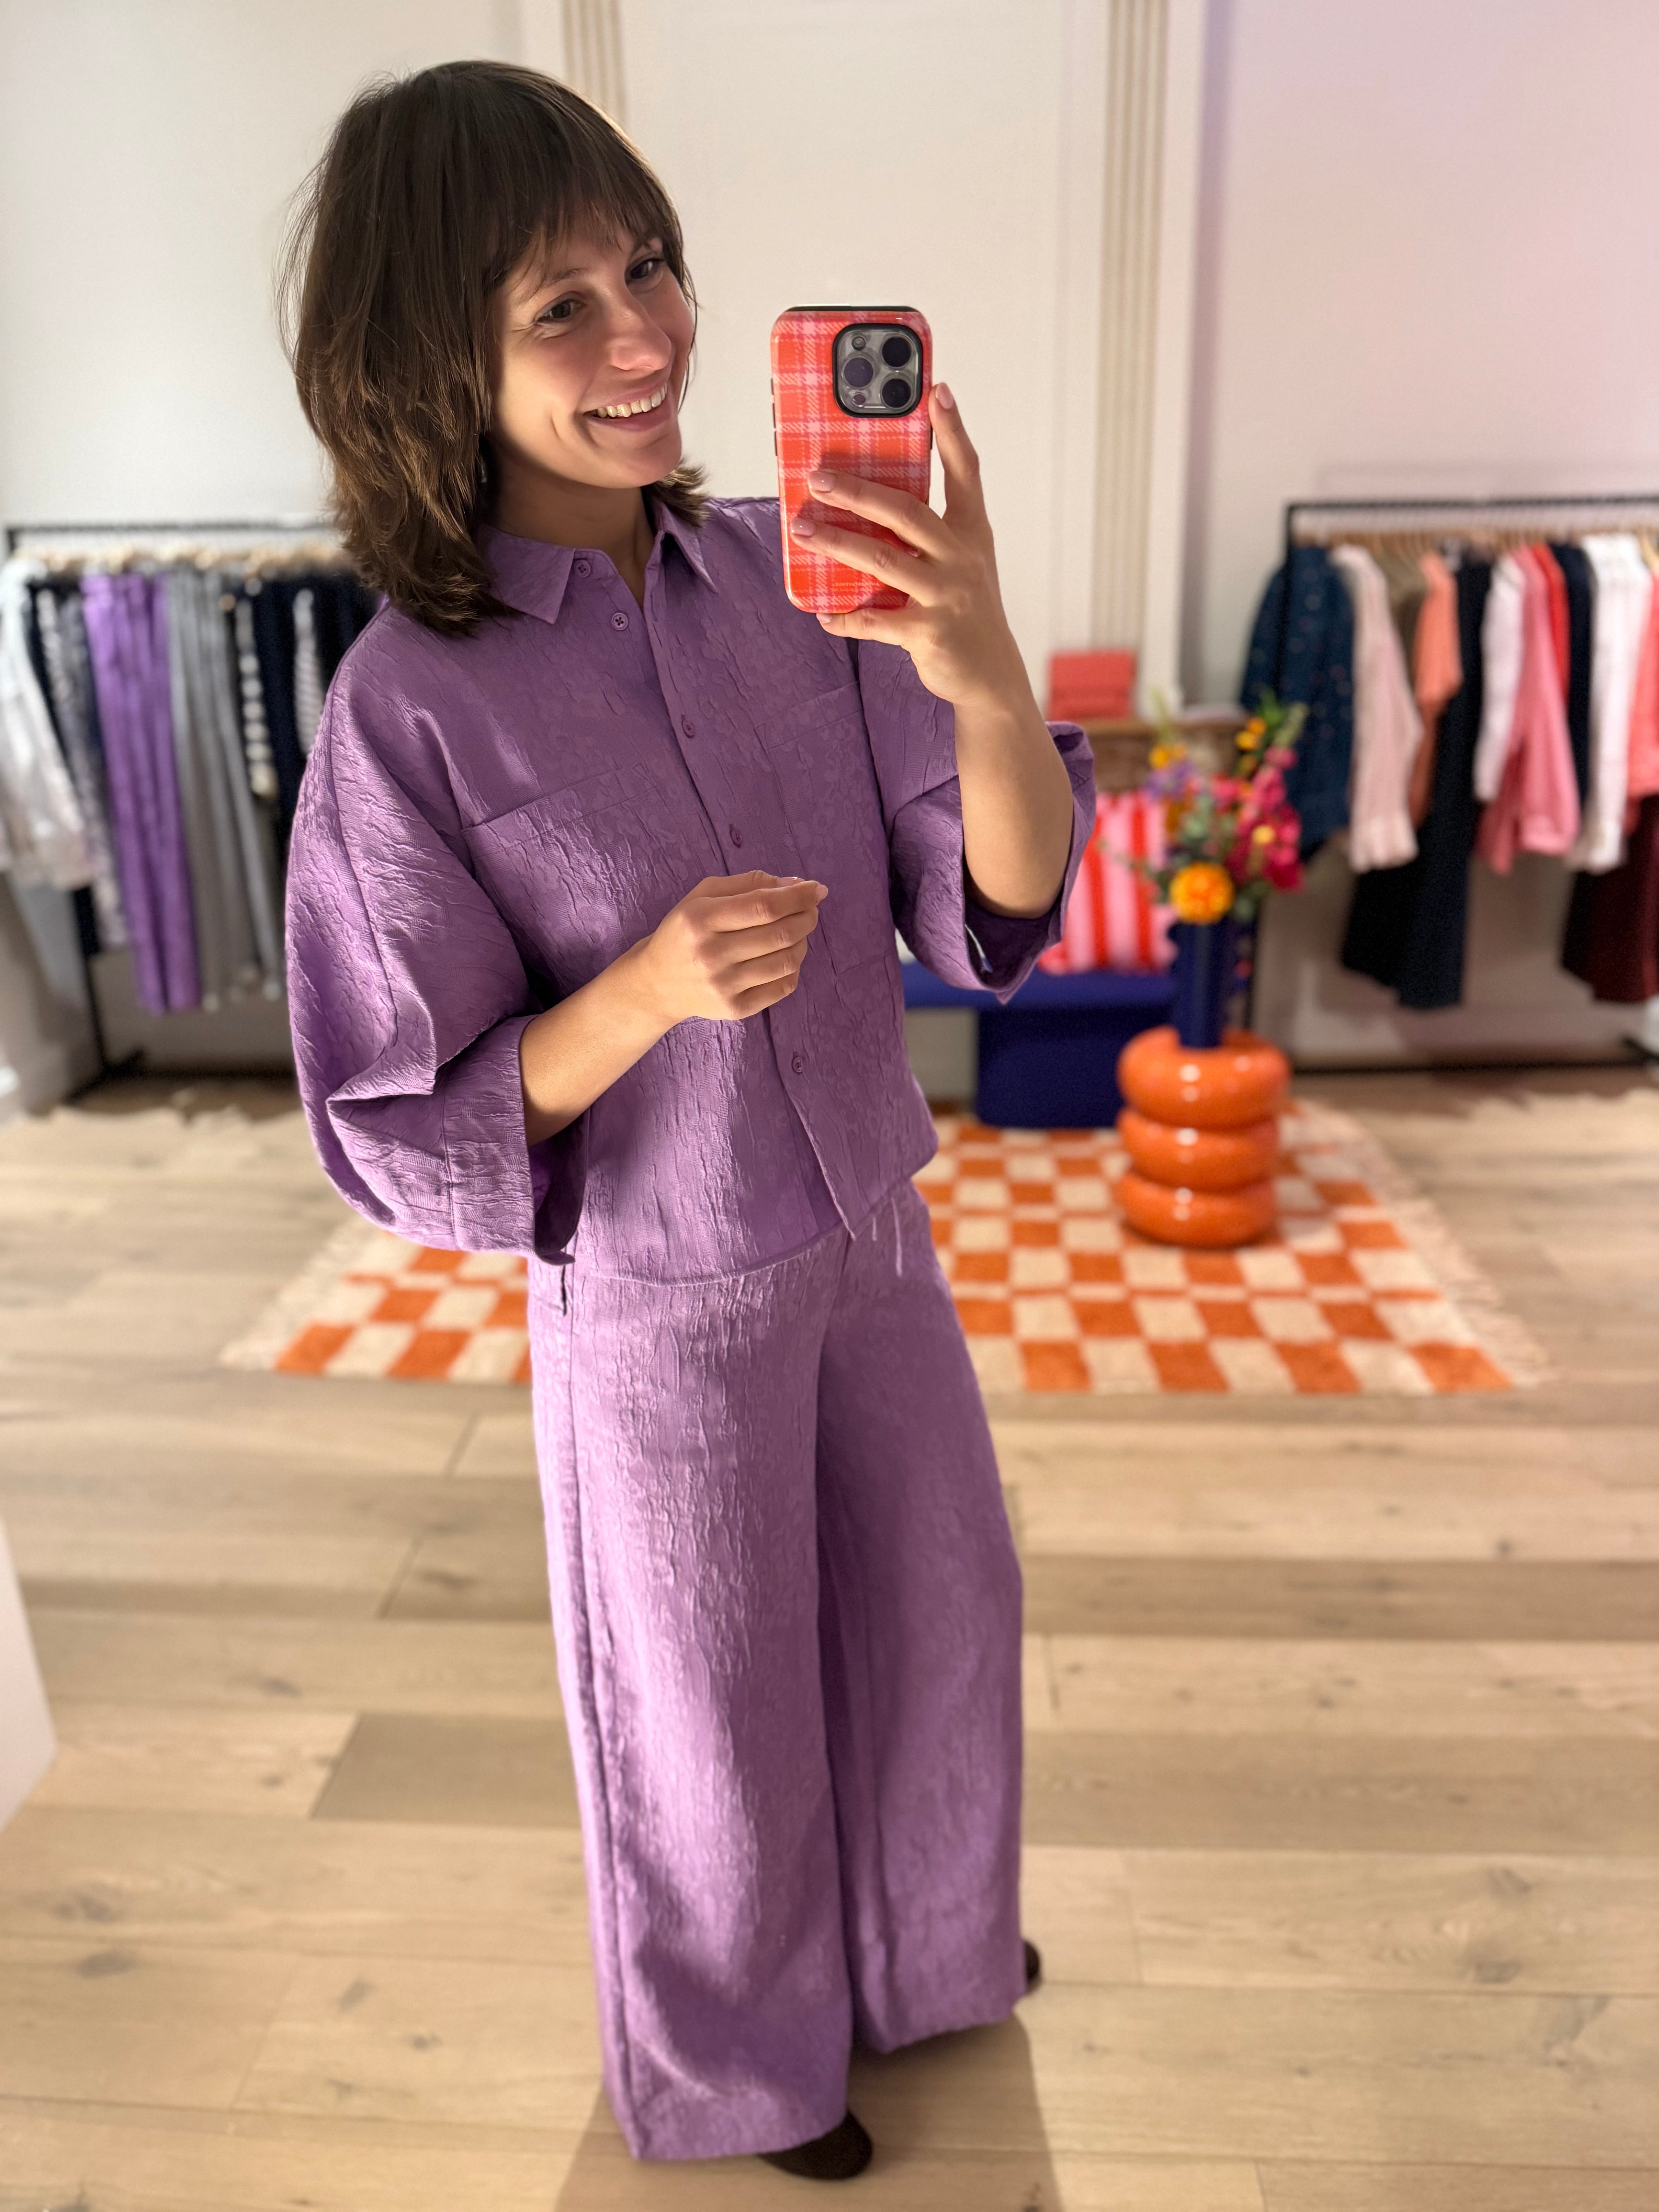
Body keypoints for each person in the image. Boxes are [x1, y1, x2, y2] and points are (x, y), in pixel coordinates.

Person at [280, 60, 1093, 2182]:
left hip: (876, 1238)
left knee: (944, 1616)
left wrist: (985, 658)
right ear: (430, 358)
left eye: (651, 269)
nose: (645, 335)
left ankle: (930, 1960)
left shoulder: (800, 578)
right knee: (707, 1708)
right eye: (562, 306)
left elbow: (993, 907)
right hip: (657, 1302)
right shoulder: (408, 709)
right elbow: (393, 1118)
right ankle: (742, 2068)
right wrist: (640, 994)